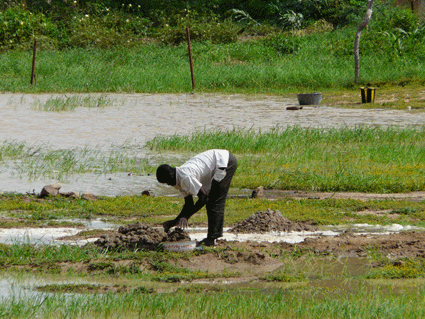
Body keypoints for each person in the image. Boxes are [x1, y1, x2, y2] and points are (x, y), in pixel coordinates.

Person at [156, 149, 238, 246]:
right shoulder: (177, 180)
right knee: (212, 199)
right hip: (217, 164)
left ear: (171, 174)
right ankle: (212, 237)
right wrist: (174, 222)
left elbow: (204, 198)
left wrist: (186, 216)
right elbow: (189, 204)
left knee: (214, 201)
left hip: (225, 162)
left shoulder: (185, 176)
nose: (168, 184)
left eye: (167, 181)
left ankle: (211, 239)